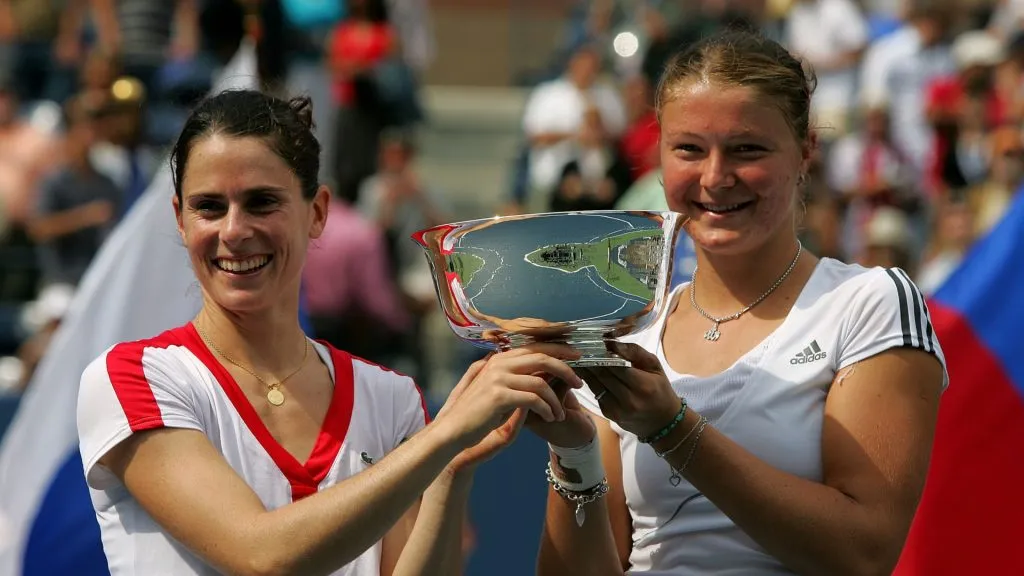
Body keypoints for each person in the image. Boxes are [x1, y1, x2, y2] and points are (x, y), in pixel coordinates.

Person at [75, 89, 583, 576]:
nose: (233, 230)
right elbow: (262, 557)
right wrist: (443, 437)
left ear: (317, 212)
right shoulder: (131, 378)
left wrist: (452, 467)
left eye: (261, 202)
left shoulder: (390, 397)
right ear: (180, 219)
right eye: (208, 206)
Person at [527, 30, 948, 575]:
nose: (715, 177)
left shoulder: (869, 302)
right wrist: (574, 452)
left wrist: (672, 428)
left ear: (805, 151)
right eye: (689, 149)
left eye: (747, 149)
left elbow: (863, 554)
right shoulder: (625, 332)